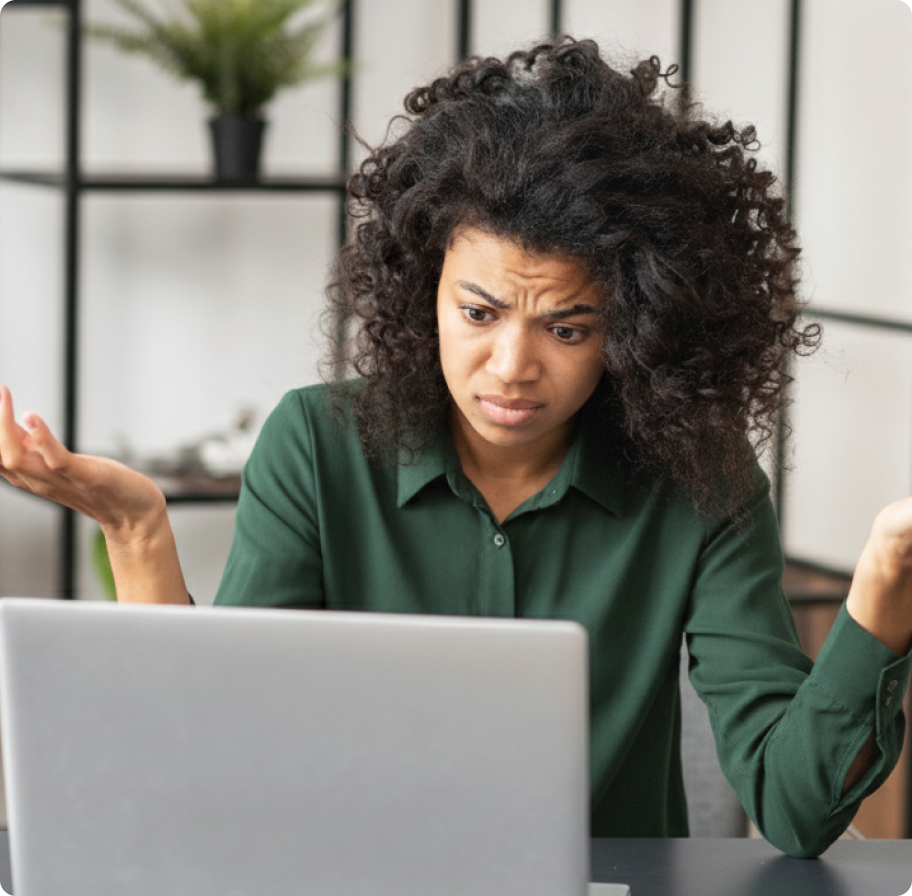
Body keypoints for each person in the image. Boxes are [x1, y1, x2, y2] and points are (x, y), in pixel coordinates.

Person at [1, 37, 911, 858]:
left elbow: (794, 812)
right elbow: (212, 757)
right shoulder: (317, 445)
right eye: (478, 313)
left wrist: (881, 585)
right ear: (421, 286)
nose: (510, 366)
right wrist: (138, 530)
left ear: (638, 329)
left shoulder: (702, 483)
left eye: (568, 326)